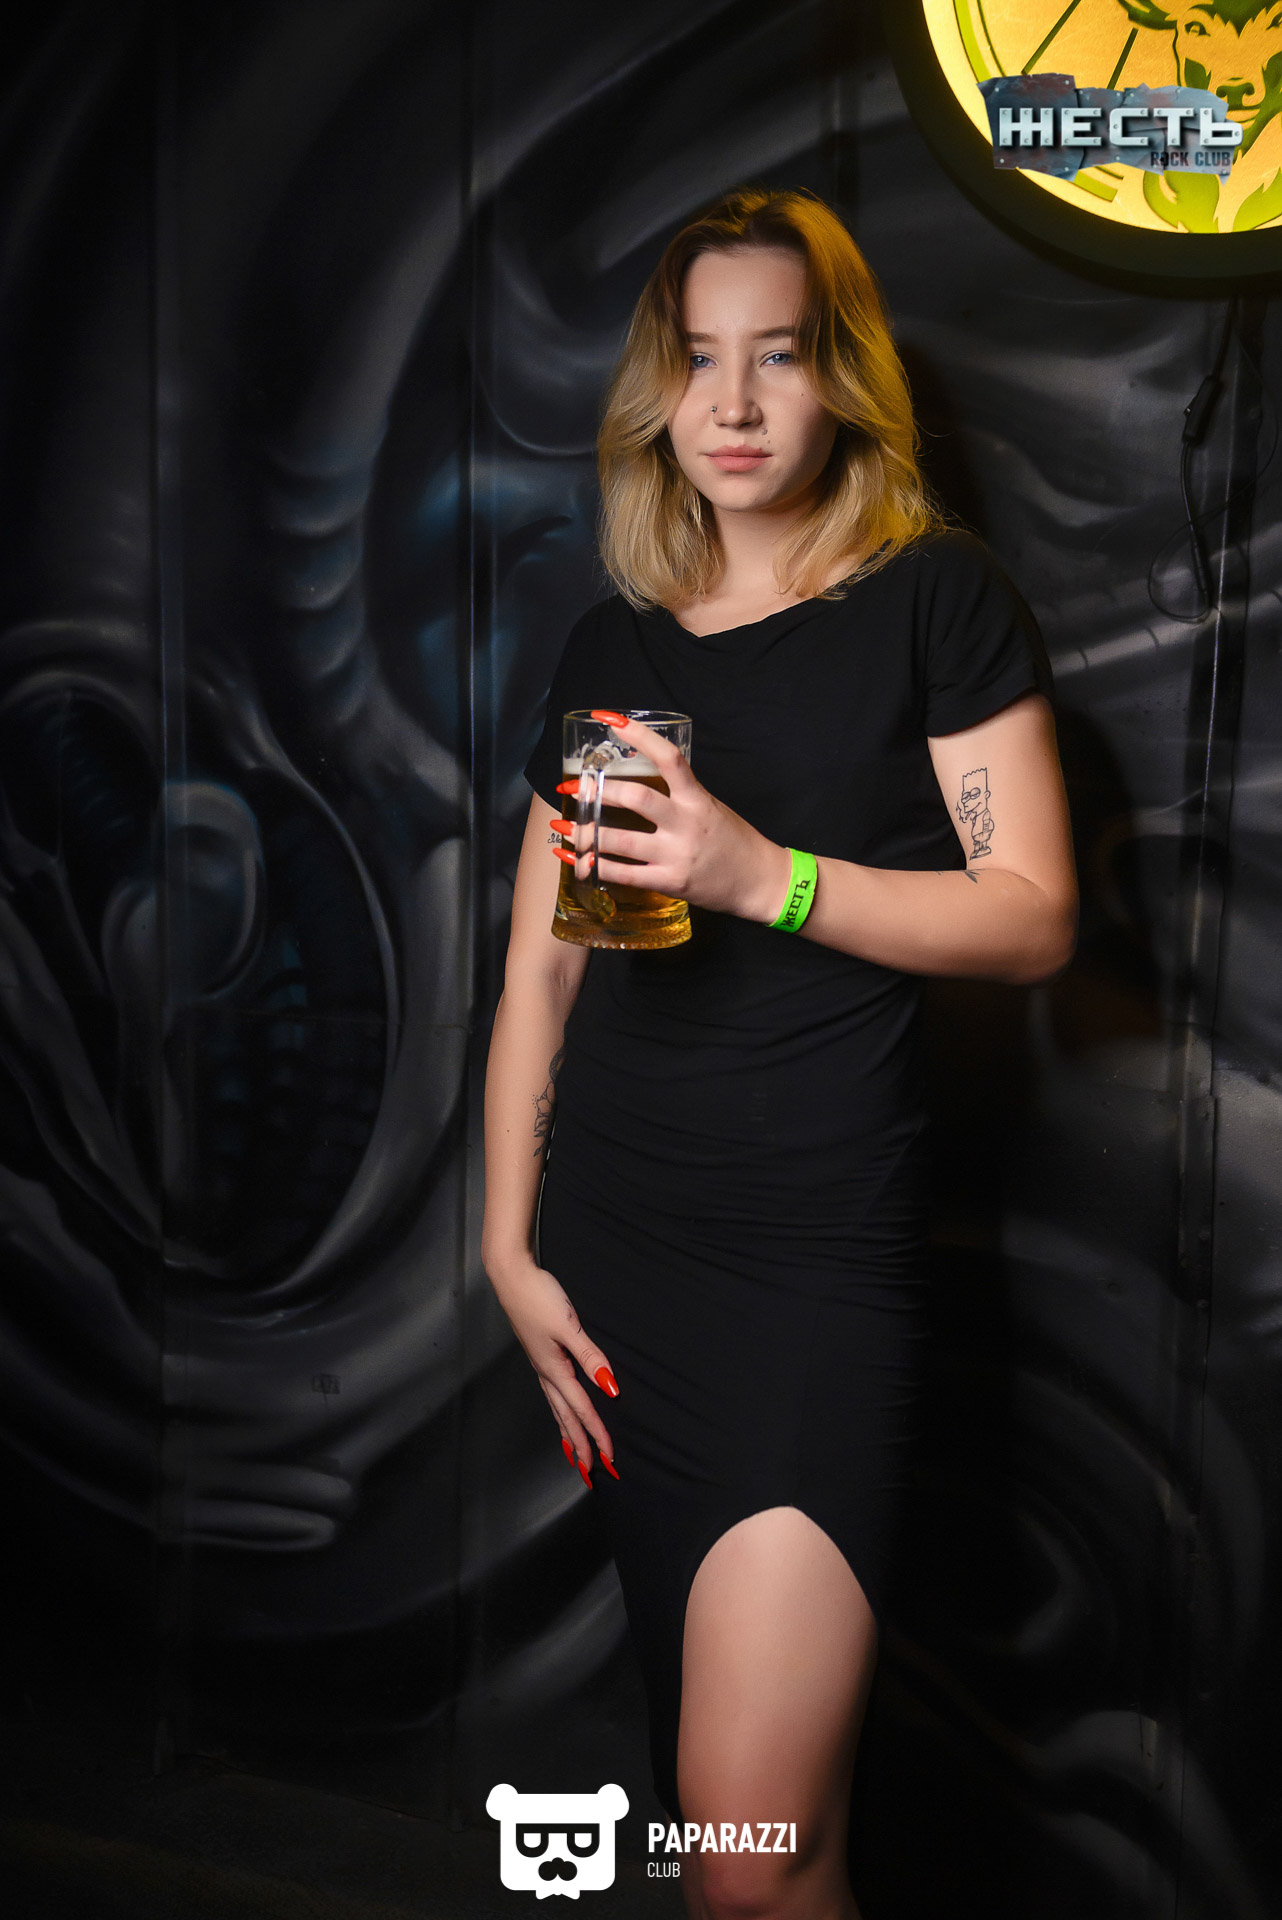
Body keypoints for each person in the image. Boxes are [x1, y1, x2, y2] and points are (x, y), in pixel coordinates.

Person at [481, 185, 1077, 1920]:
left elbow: (1032, 915)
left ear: (843, 380)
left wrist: (764, 876)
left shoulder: (932, 600)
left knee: (747, 1845)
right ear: (654, 391)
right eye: (697, 360)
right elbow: (538, 978)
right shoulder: (612, 646)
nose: (732, 404)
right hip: (617, 1255)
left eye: (780, 357)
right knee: (728, 1830)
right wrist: (505, 1249)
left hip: (811, 1267)